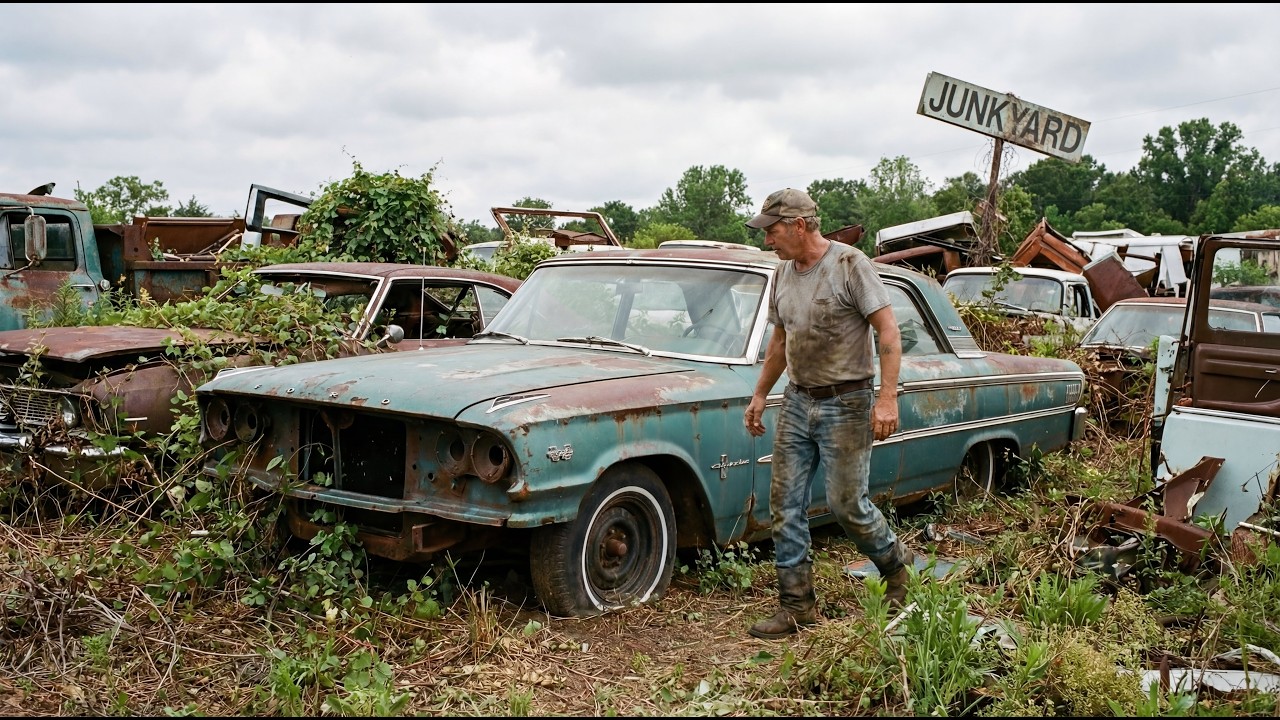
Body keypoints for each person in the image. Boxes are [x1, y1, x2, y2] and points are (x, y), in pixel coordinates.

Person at [743, 188, 913, 639]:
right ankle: (797, 605)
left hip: (848, 401)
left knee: (846, 504)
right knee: (784, 503)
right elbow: (781, 343)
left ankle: (897, 568)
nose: (768, 242)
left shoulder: (849, 265)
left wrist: (887, 398)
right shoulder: (782, 274)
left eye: (773, 231)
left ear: (800, 225)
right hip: (799, 400)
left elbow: (888, 331)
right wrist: (761, 394)